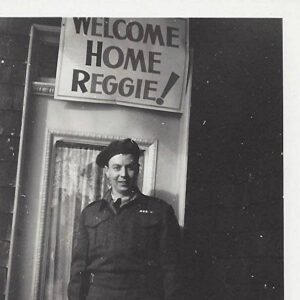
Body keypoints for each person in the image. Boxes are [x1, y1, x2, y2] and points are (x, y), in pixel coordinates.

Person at [68, 138, 182, 300]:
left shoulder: (160, 212)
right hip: (99, 295)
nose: (123, 175)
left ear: (138, 169)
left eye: (130, 167)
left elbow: (171, 269)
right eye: (117, 168)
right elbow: (78, 269)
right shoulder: (90, 213)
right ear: (107, 171)